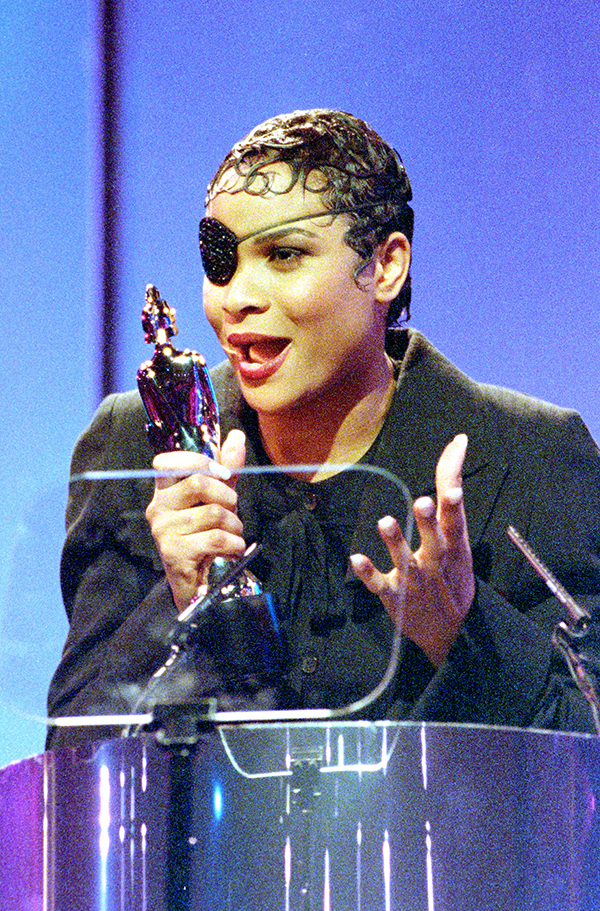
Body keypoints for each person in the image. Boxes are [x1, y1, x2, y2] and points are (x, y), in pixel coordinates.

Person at [46, 109, 600, 750]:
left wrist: (464, 632)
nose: (236, 297)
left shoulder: (532, 458)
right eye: (221, 262)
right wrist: (179, 605)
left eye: (284, 256)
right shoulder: (139, 447)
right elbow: (77, 769)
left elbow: (587, 770)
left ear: (384, 266)